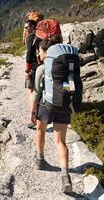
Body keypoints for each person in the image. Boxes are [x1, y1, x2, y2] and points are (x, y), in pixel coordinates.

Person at [30, 38, 73, 193]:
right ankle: (65, 176)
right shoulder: (66, 68)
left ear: (46, 52)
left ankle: (40, 160)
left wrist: (33, 111)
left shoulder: (42, 69)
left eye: (40, 51)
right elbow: (70, 87)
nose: (39, 53)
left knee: (40, 130)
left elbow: (36, 92)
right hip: (63, 105)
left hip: (46, 105)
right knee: (61, 141)